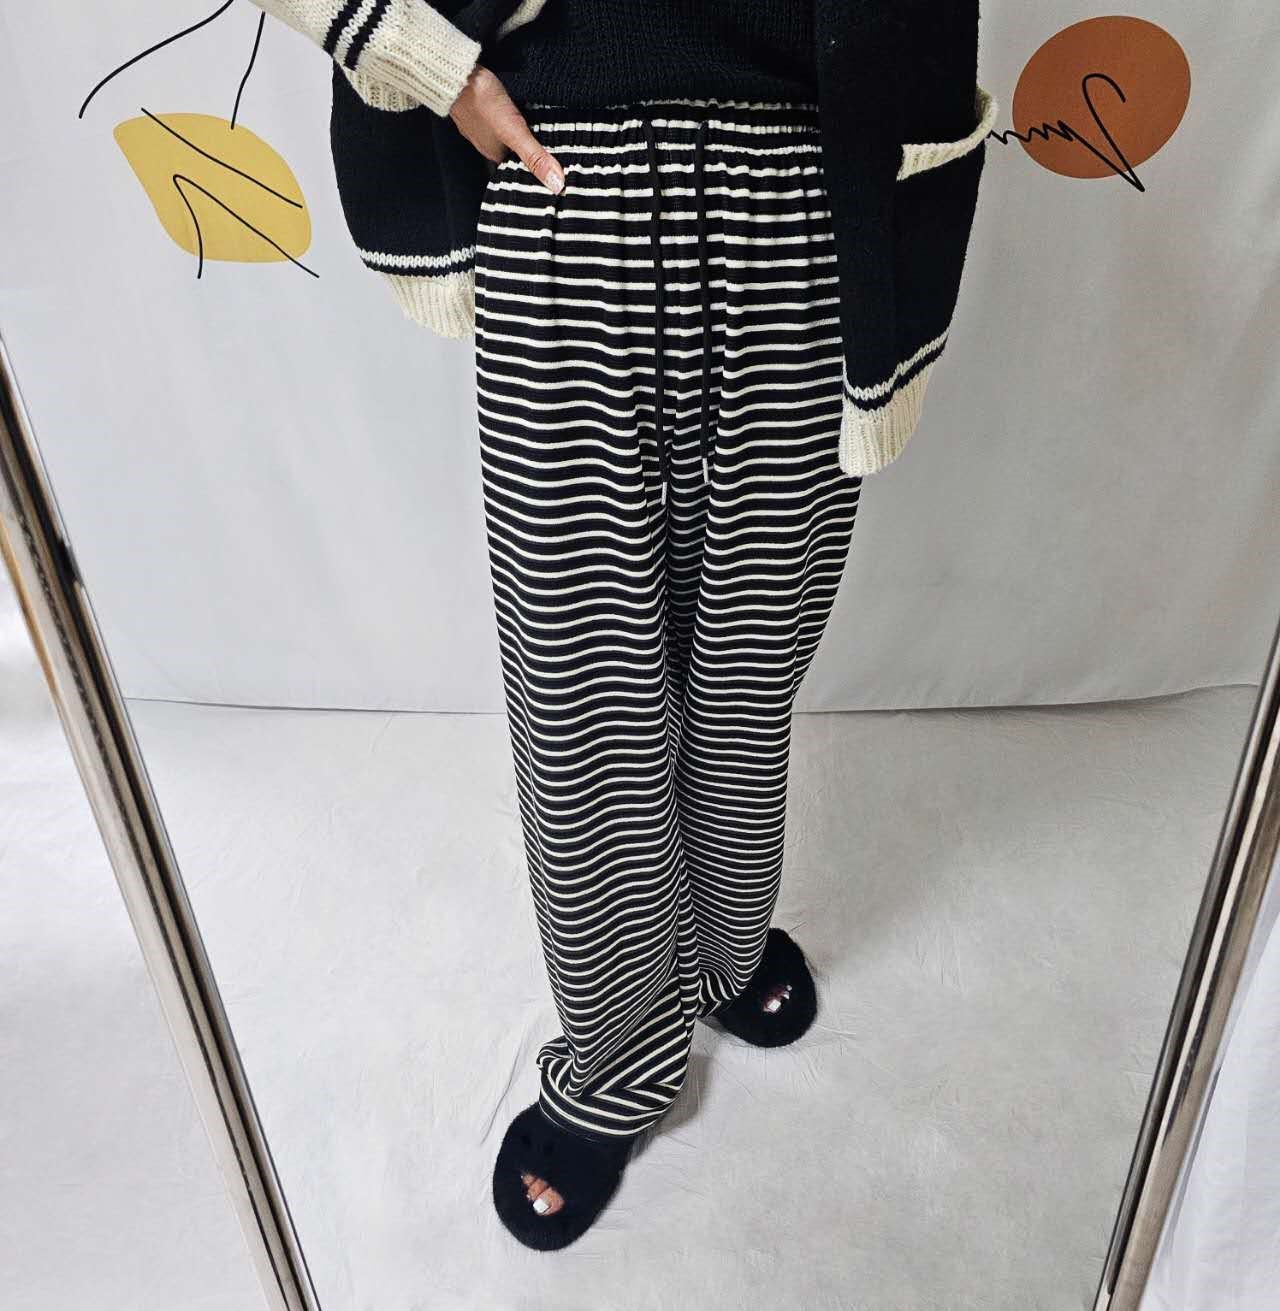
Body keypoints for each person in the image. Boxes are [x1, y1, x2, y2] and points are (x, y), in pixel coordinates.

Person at [251, 0, 991, 1251]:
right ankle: (616, 1052)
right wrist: (423, 60)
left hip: (809, 178)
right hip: (567, 168)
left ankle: (723, 946)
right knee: (582, 686)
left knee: (751, 665)